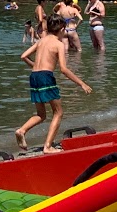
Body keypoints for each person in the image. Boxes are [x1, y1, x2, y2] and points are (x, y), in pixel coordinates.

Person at [16, 16, 92, 152]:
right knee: (58, 112)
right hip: (46, 77)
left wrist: (35, 66)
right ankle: (48, 146)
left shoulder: (41, 41)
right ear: (62, 29)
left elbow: (23, 56)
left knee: (41, 114)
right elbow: (63, 69)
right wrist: (81, 83)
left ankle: (22, 130)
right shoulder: (59, 44)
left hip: (34, 76)